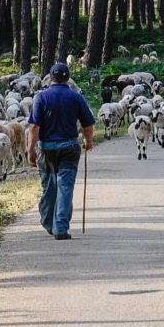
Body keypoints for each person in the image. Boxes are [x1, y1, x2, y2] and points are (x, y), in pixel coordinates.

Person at [27, 62, 95, 240]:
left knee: (49, 187)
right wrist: (88, 141)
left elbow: (34, 127)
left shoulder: (41, 97)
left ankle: (48, 222)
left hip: (46, 148)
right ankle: (60, 227)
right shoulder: (76, 97)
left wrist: (30, 150)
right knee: (65, 187)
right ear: (68, 78)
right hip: (69, 147)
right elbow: (87, 124)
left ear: (50, 78)